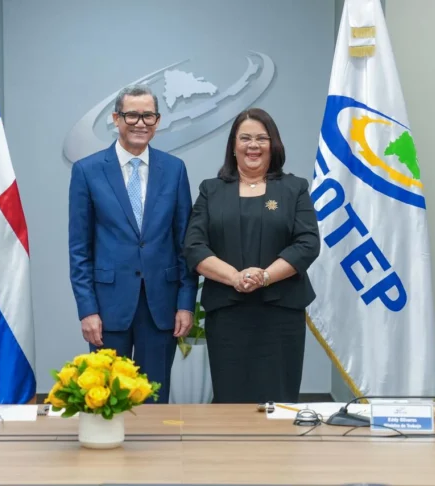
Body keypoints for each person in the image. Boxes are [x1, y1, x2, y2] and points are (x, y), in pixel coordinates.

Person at [68, 85, 197, 403]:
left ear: (158, 120)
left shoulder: (174, 169)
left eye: (148, 116)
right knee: (108, 399)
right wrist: (87, 310)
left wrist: (185, 303)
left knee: (154, 398)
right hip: (107, 308)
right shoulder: (87, 171)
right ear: (116, 119)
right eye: (132, 115)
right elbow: (79, 250)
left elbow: (185, 244)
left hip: (161, 306)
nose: (141, 123)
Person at [183, 108, 321, 404]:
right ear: (233, 146)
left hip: (281, 314)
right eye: (245, 138)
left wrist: (265, 276)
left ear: (274, 145)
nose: (253, 145)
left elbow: (307, 243)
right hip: (228, 314)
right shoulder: (211, 190)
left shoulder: (294, 188)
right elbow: (194, 246)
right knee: (231, 398)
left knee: (278, 399)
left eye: (261, 138)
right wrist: (235, 277)